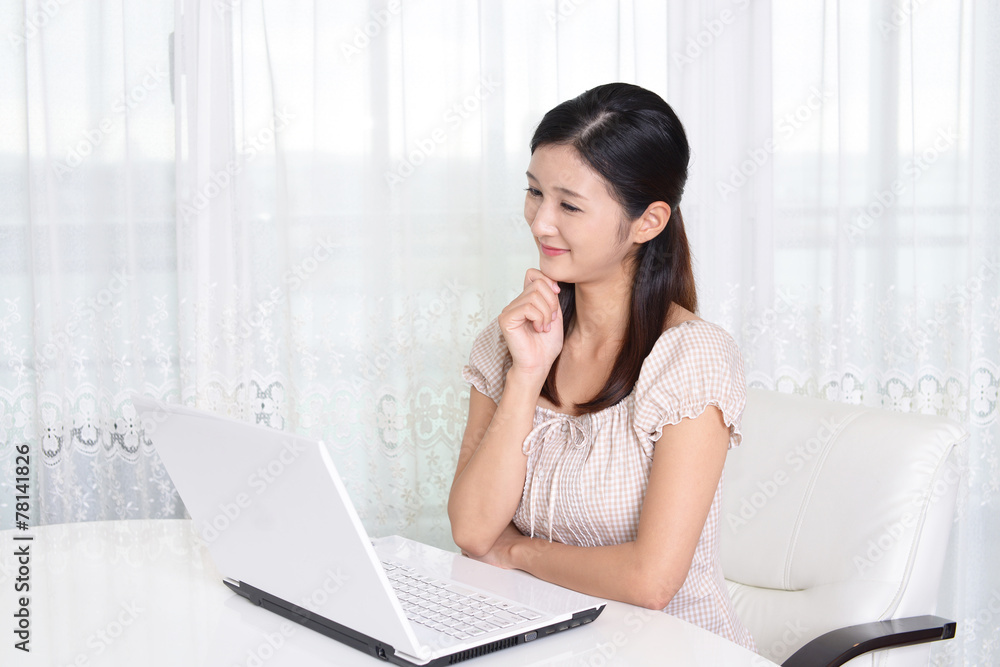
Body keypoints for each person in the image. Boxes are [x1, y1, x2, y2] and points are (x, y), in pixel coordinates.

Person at [447, 82, 755, 651]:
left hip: (671, 651)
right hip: (544, 643)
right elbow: (471, 529)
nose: (540, 222)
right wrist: (526, 376)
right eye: (534, 193)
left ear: (648, 222)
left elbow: (650, 581)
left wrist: (517, 551)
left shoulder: (691, 358)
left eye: (569, 205)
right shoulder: (510, 338)